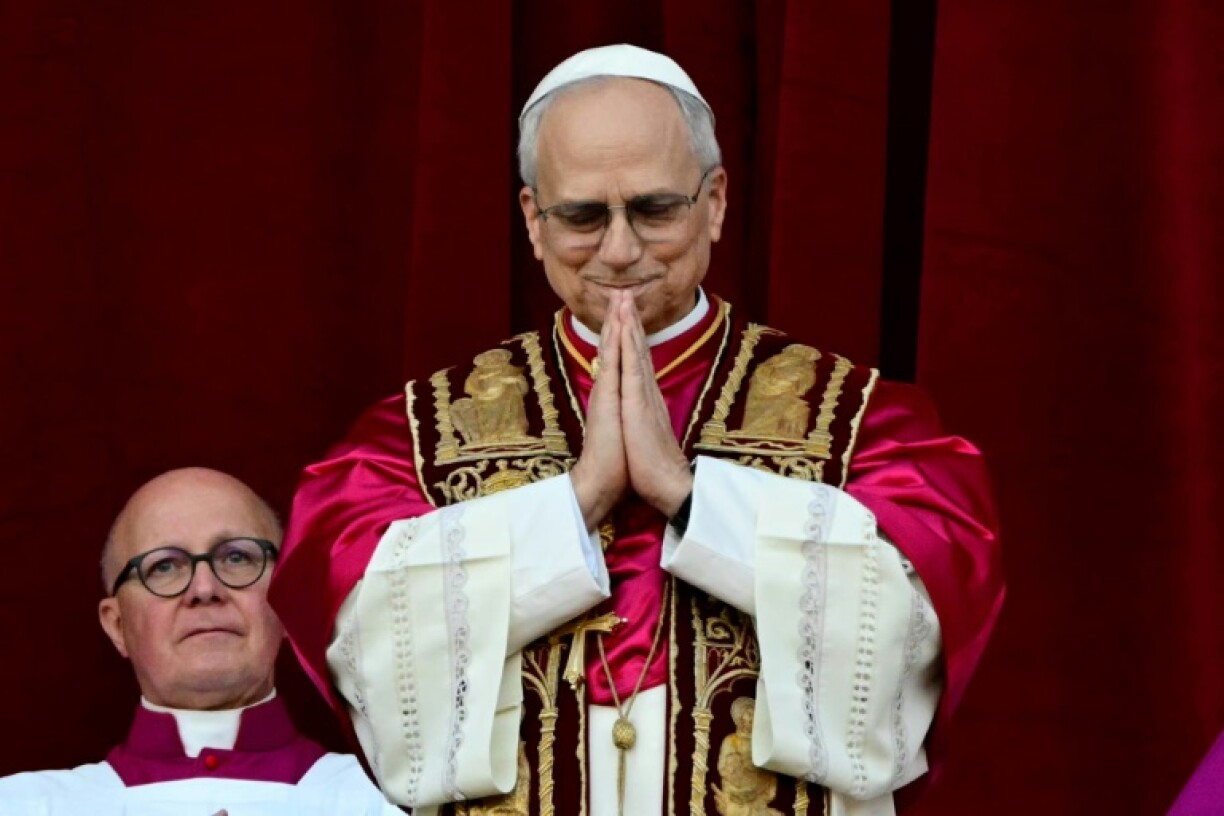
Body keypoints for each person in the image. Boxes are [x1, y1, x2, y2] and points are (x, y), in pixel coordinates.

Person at [270, 45, 1003, 816]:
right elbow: (368, 653)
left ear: (715, 202)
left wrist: (690, 498)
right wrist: (577, 503)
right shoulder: (414, 439)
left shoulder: (861, 422)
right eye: (583, 216)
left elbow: (907, 640)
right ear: (532, 220)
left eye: (655, 210)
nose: (620, 252)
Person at [0, 467, 398, 815]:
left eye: (238, 557)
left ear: (283, 602)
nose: (204, 588)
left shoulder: (393, 803)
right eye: (164, 566)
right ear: (117, 625)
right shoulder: (23, 806)